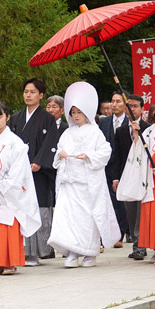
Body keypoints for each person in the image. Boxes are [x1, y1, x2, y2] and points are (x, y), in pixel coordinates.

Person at [48, 82, 120, 268]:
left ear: (86, 112)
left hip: (87, 183)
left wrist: (88, 156)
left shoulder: (95, 132)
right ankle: (72, 252)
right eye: (73, 112)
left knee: (87, 219)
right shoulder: (67, 133)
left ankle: (89, 252)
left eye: (79, 112)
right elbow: (59, 151)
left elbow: (105, 152)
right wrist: (60, 154)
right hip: (69, 182)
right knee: (69, 218)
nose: (76, 116)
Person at [0, 103, 41, 274]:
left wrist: (1, 186)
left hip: (8, 191)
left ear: (7, 117)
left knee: (8, 224)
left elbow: (19, 169)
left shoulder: (16, 142)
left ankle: (10, 263)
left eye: (0, 116)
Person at [9, 78, 59, 266]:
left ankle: (37, 252)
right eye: (26, 92)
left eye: (32, 92)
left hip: (38, 172)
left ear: (41, 95)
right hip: (20, 170)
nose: (28, 95)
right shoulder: (16, 118)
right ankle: (21, 250)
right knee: (20, 207)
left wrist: (38, 161)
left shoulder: (48, 119)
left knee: (38, 208)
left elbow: (50, 143)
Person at [117, 96, 155, 265]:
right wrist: (136, 132)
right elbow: (139, 149)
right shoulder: (150, 130)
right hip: (150, 176)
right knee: (150, 213)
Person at [110, 95, 150, 260]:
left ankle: (140, 245)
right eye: (130, 106)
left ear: (142, 108)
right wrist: (116, 178)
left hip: (143, 175)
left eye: (135, 106)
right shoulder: (120, 131)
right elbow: (117, 156)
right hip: (127, 175)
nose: (132, 109)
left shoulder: (148, 128)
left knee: (141, 210)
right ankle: (135, 240)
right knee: (130, 211)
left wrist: (138, 133)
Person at [99, 91, 129, 247]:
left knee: (121, 201)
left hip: (123, 166)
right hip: (106, 166)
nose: (114, 104)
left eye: (118, 101)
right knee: (107, 200)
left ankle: (122, 232)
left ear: (125, 104)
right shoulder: (104, 122)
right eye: (113, 101)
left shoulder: (129, 122)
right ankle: (108, 234)